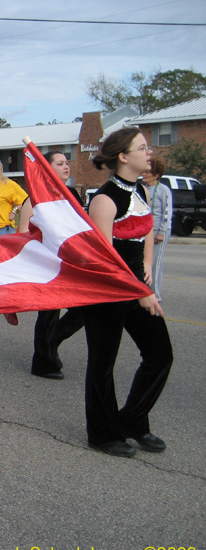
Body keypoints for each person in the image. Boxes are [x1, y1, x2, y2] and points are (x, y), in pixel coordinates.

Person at [83, 126, 172, 458]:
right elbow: (105, 260)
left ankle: (133, 421)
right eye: (143, 148)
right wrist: (140, 290)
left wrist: (147, 264)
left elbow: (147, 229)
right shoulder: (104, 199)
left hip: (136, 287)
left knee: (160, 355)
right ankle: (102, 434)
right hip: (107, 291)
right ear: (123, 156)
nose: (149, 153)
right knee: (102, 365)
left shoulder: (142, 192)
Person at [18, 151, 85, 380]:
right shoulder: (35, 197)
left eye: (67, 162)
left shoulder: (73, 194)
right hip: (45, 263)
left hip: (71, 262)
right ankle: (43, 362)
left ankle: (51, 343)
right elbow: (23, 234)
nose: (66, 166)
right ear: (47, 169)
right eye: (60, 163)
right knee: (48, 314)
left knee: (84, 309)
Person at [142, 158, 173, 302]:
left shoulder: (163, 190)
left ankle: (155, 294)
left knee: (156, 263)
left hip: (160, 230)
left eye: (148, 172)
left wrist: (162, 231)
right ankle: (145, 289)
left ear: (156, 175)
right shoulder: (144, 190)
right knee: (145, 262)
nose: (144, 174)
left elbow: (168, 211)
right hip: (147, 231)